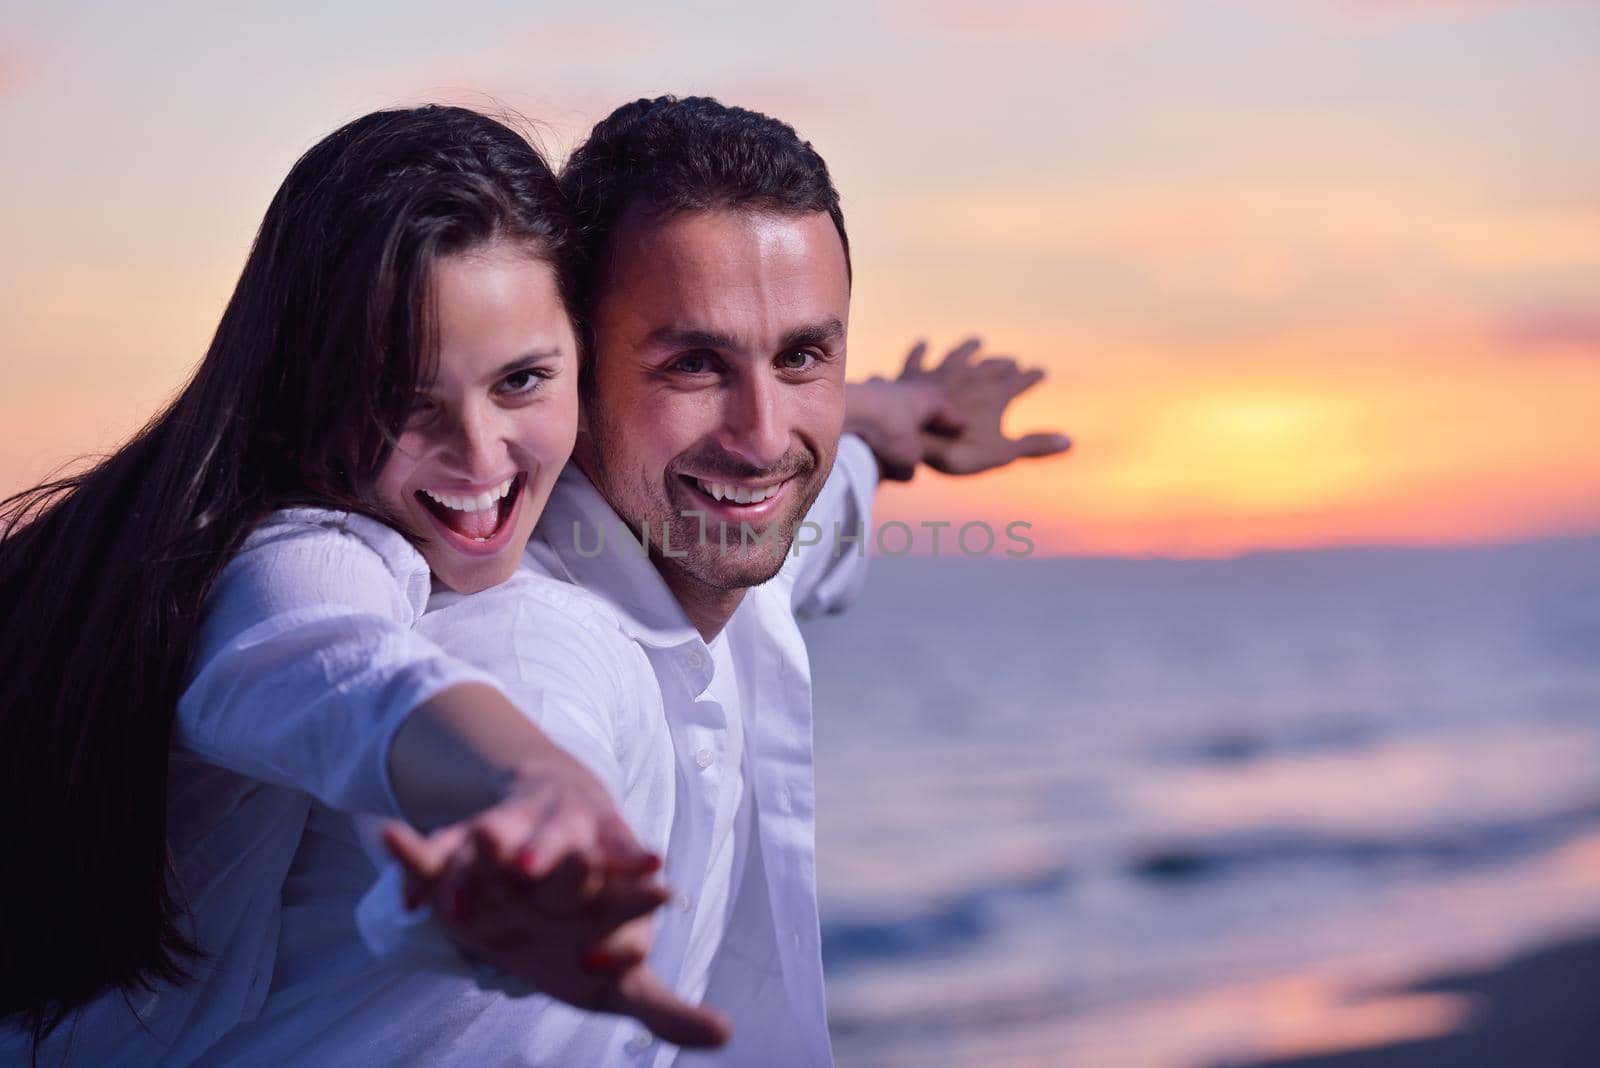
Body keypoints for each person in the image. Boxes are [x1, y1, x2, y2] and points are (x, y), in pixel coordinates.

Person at [0, 104, 725, 1067]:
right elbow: (340, 669)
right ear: (308, 384)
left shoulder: (144, 527)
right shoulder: (296, 548)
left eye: (521, 382)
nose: (478, 453)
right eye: (404, 399)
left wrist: (879, 425)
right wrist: (532, 783)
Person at [372, 95, 1072, 1066]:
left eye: (801, 355)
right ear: (567, 366)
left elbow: (820, 478)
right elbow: (505, 752)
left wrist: (907, 415)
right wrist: (515, 879)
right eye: (694, 364)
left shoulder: (718, 534)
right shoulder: (525, 643)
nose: (760, 439)